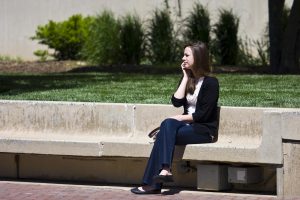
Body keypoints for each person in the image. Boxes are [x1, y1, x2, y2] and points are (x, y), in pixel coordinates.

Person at [131, 42, 219, 195]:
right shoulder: (188, 80)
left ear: (198, 57)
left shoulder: (211, 83)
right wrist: (185, 77)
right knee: (167, 126)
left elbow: (202, 116)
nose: (183, 58)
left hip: (204, 130)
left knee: (165, 129)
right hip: (186, 128)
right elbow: (176, 101)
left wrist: (179, 117)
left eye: (187, 55)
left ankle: (153, 184)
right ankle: (164, 170)